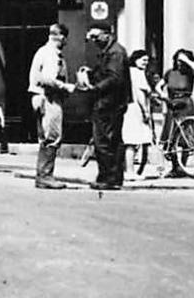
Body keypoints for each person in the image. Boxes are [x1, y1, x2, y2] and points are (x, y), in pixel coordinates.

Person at [80, 20, 130, 191]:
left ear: (107, 34)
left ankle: (107, 178)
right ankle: (113, 178)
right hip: (111, 103)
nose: (94, 40)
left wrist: (94, 88)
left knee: (104, 141)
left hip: (109, 104)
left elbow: (115, 78)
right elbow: (106, 73)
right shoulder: (110, 51)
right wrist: (91, 73)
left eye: (96, 36)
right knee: (112, 141)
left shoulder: (115, 53)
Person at [28, 23, 74, 189]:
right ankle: (45, 176)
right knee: (52, 137)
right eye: (65, 38)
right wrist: (66, 87)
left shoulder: (43, 51)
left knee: (45, 137)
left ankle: (43, 175)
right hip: (49, 98)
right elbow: (47, 78)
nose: (66, 42)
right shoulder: (51, 55)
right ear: (61, 37)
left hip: (41, 98)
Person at [160, 49, 194, 176]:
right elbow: (160, 85)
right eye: (178, 60)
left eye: (182, 61)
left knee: (186, 136)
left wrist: (187, 61)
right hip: (172, 104)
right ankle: (175, 167)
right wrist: (161, 93)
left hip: (186, 104)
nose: (179, 63)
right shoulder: (170, 73)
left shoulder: (190, 73)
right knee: (171, 136)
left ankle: (183, 165)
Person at [123, 50, 156, 180]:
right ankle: (130, 172)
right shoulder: (138, 74)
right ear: (135, 59)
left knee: (130, 141)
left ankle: (128, 170)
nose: (145, 63)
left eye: (147, 61)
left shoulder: (128, 72)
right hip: (136, 110)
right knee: (133, 141)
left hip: (128, 108)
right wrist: (145, 111)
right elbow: (140, 94)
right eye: (143, 60)